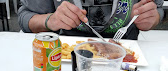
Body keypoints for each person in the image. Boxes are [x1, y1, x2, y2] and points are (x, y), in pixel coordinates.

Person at [18, 0, 164, 40]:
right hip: (68, 56)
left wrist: (153, 18)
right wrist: (50, 20)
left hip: (127, 54)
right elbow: (25, 19)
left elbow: (157, 10)